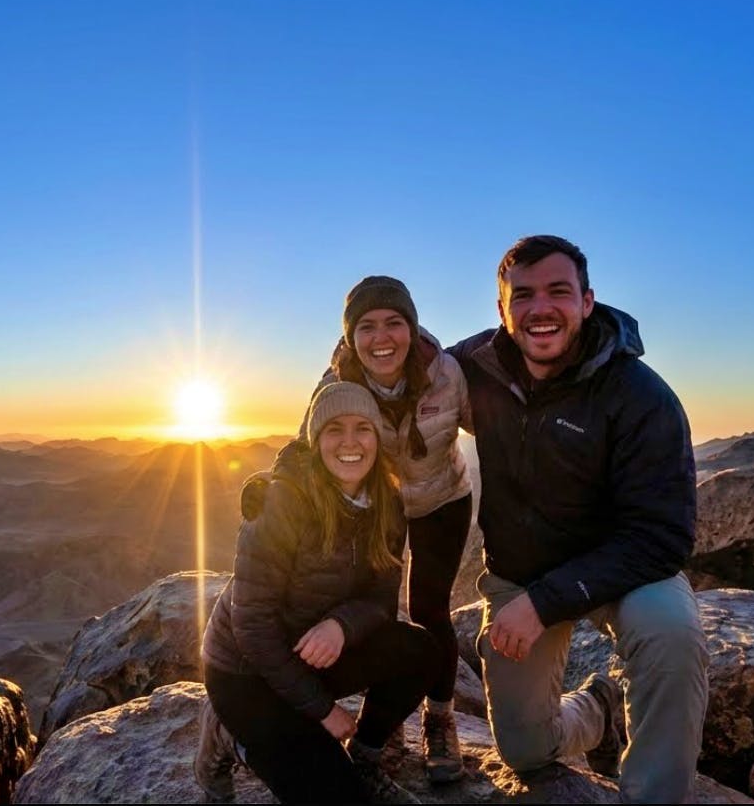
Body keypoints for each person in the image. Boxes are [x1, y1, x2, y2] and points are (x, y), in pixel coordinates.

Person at [446, 234, 709, 803]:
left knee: (670, 632)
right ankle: (596, 708)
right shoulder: (479, 365)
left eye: (558, 292)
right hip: (524, 571)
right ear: (503, 309)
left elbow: (663, 536)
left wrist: (544, 604)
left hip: (622, 571)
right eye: (524, 295)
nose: (540, 308)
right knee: (526, 753)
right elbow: (382, 363)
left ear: (588, 301)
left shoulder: (641, 396)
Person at [196, 381, 433, 804]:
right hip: (246, 673)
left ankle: (364, 758)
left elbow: (382, 598)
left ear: (377, 438)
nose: (350, 442)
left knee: (419, 650)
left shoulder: (387, 502)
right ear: (315, 438)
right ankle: (230, 736)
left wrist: (341, 626)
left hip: (311, 653)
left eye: (363, 428)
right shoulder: (281, 502)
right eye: (333, 429)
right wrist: (323, 711)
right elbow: (251, 627)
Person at [293, 275, 476, 783]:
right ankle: (388, 714)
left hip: (444, 498)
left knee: (430, 609)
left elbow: (494, 426)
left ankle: (439, 720)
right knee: (378, 613)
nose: (382, 338)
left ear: (412, 328)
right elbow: (306, 448)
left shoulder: (446, 373)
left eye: (394, 323)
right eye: (367, 326)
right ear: (351, 337)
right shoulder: (337, 385)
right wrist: (269, 487)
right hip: (379, 510)